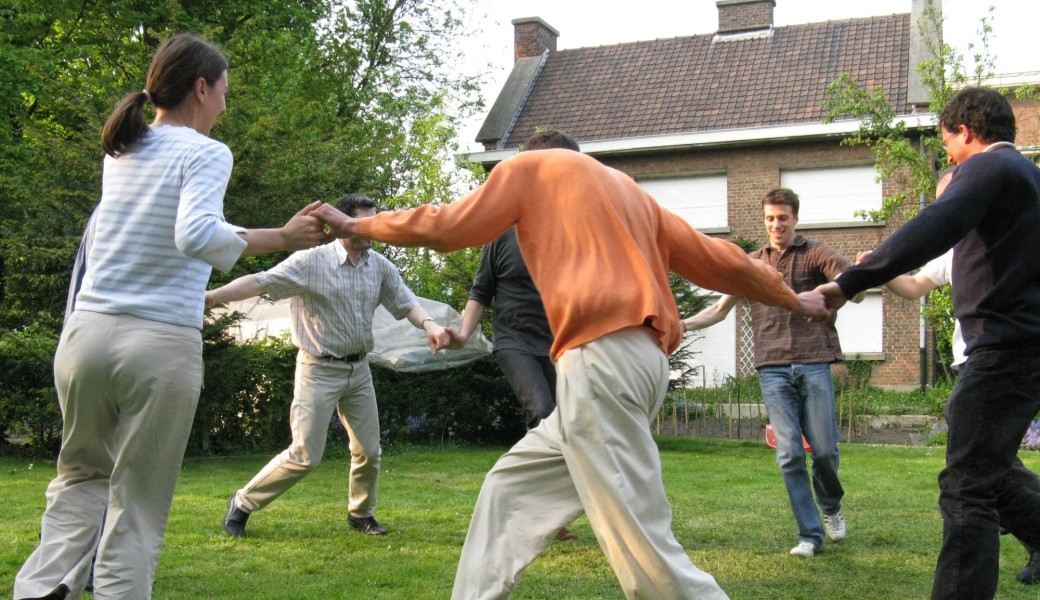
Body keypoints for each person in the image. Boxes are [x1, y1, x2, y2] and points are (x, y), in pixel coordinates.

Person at [310, 146, 828, 599]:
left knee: (641, 546)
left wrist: (357, 225)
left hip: (602, 362)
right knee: (508, 490)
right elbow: (721, 260)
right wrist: (794, 300)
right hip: (638, 364)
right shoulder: (628, 193)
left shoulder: (531, 168)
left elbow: (446, 226)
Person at [14, 33, 329, 600]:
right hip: (156, 344)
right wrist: (281, 237)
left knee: (78, 480)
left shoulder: (124, 148)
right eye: (225, 92)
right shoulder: (206, 151)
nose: (227, 107)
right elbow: (195, 235)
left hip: (85, 336)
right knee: (135, 499)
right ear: (202, 89)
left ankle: (39, 590)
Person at [814, 86, 1040, 599]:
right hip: (1022, 347)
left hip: (1003, 350)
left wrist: (851, 281)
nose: (950, 160)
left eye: (948, 146)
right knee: (993, 472)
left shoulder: (988, 168)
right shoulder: (1031, 180)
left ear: (965, 130)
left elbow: (938, 222)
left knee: (966, 490)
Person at [213, 193, 449, 538]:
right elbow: (260, 281)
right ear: (342, 224)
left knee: (369, 450)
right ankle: (243, 502)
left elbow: (407, 302)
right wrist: (212, 297)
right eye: (365, 221)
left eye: (374, 220)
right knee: (305, 455)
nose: (373, 228)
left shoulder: (380, 266)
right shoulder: (310, 262)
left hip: (359, 371)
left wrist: (430, 325)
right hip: (317, 369)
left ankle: (361, 514)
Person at [680, 188, 849, 559]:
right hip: (771, 367)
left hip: (813, 360)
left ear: (795, 219)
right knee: (789, 454)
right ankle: (810, 534)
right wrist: (681, 325)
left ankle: (832, 507)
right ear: (764, 220)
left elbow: (849, 281)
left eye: (783, 217)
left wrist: (847, 290)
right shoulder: (753, 264)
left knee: (823, 451)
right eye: (770, 218)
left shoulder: (816, 254)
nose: (776, 224)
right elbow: (719, 311)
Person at [448, 129, 580, 542]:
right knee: (544, 411)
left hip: (562, 342)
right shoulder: (504, 232)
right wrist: (463, 333)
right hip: (514, 341)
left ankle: (544, 511)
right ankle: (513, 501)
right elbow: (481, 289)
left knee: (566, 425)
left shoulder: (574, 228)